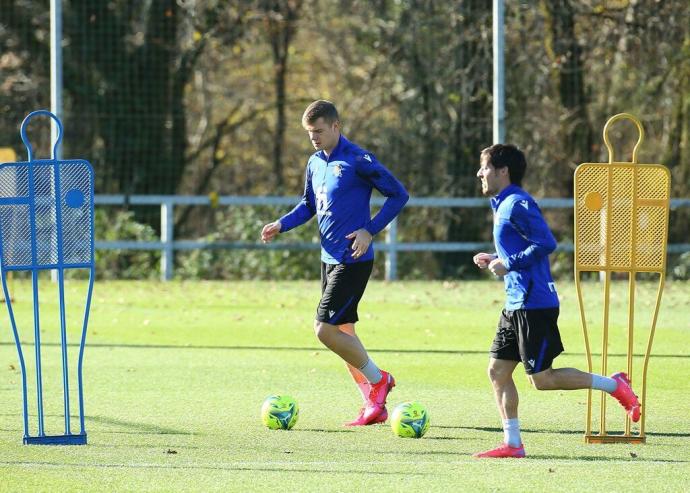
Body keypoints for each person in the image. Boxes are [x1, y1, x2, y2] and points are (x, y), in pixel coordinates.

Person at [472, 143, 641, 458]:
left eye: (485, 167)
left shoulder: (518, 203)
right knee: (497, 371)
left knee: (542, 380)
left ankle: (614, 385)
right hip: (515, 303)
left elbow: (546, 243)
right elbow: (522, 251)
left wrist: (509, 263)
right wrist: (496, 258)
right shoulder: (503, 203)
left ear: (502, 170)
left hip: (534, 303)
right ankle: (513, 444)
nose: (480, 173)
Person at [261, 100, 409, 426]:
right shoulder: (315, 162)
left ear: (336, 127)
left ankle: (379, 380)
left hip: (352, 259)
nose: (313, 137)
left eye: (318, 131)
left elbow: (399, 194)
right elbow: (308, 205)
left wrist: (369, 230)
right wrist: (281, 224)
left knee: (324, 331)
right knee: (344, 333)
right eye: (309, 132)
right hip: (328, 258)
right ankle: (373, 404)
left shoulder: (358, 159)